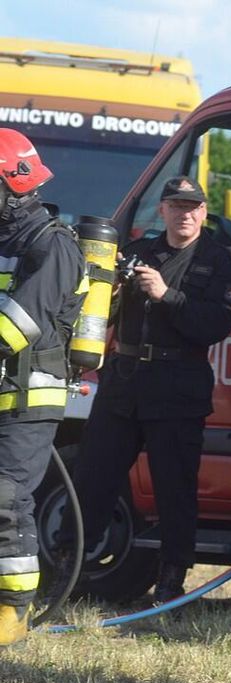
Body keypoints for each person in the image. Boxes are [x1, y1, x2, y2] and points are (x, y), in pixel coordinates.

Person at [70, 176, 231, 604]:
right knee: (93, 479)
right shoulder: (138, 253)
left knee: (174, 490)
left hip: (177, 386)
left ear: (204, 212)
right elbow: (99, 311)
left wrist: (167, 295)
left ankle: (171, 585)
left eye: (192, 207)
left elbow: (215, 325)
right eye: (176, 206)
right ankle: (68, 573)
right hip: (124, 380)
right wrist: (109, 290)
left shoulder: (219, 262)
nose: (184, 214)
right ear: (162, 210)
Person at [0, 129, 86, 645]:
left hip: (32, 396)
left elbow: (18, 323)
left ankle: (12, 610)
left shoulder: (54, 246)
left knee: (6, 498)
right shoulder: (9, 245)